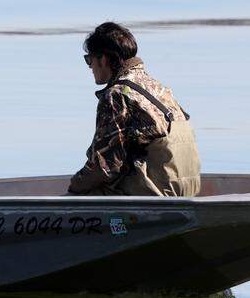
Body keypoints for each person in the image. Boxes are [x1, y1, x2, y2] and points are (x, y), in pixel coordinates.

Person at [68, 22, 201, 196]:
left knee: (86, 193)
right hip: (189, 186)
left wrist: (73, 189)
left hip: (158, 191)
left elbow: (105, 167)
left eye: (89, 59)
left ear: (103, 59)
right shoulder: (156, 87)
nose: (89, 67)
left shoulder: (116, 95)